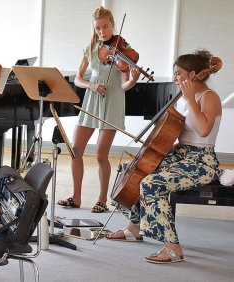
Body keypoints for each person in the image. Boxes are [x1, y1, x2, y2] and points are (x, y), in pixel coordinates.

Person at [105, 50, 222, 264]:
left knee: (152, 183)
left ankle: (173, 247)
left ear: (194, 74)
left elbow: (204, 130)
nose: (175, 78)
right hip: (180, 154)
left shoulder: (209, 97)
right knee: (134, 169)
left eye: (179, 74)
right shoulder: (183, 96)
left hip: (201, 162)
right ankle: (134, 228)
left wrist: (190, 100)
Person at [57, 6, 140, 213]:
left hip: (112, 103)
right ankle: (76, 197)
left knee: (101, 155)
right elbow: (78, 78)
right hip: (91, 101)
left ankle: (102, 199)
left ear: (112, 25)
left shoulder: (122, 50)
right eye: (98, 28)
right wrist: (91, 85)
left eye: (105, 27)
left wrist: (133, 78)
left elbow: (124, 86)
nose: (102, 31)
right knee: (75, 151)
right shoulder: (91, 48)